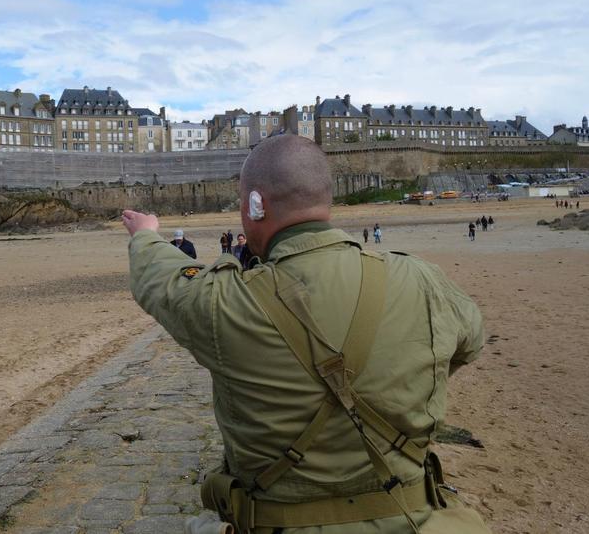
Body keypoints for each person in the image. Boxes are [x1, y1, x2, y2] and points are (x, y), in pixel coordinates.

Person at [122, 135, 487, 533]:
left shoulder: (225, 301)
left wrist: (145, 234)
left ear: (256, 205)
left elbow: (162, 281)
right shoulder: (421, 279)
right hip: (408, 517)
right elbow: (469, 343)